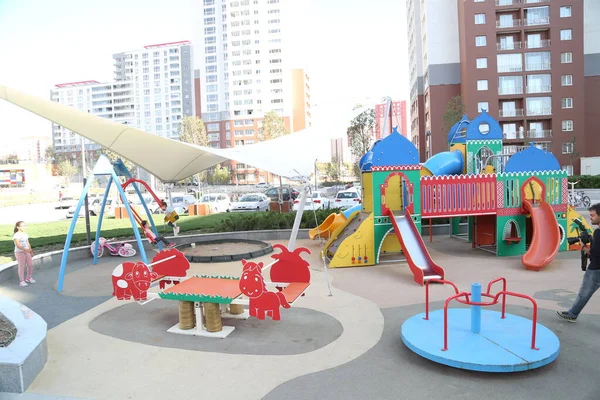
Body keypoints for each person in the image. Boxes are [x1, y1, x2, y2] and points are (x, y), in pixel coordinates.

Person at [557, 203, 600, 322]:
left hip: (595, 269)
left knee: (584, 294)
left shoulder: (598, 232)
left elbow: (595, 254)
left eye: (592, 215)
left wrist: (584, 247)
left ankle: (572, 314)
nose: (590, 218)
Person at [13, 221, 35, 287]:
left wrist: (30, 251)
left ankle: (28, 278)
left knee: (30, 265)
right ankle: (21, 281)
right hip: (19, 252)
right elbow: (18, 245)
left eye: (25, 225)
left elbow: (27, 243)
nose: (24, 227)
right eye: (22, 226)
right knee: (21, 266)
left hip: (27, 251)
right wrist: (26, 250)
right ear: (18, 227)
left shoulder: (25, 234)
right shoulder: (16, 235)